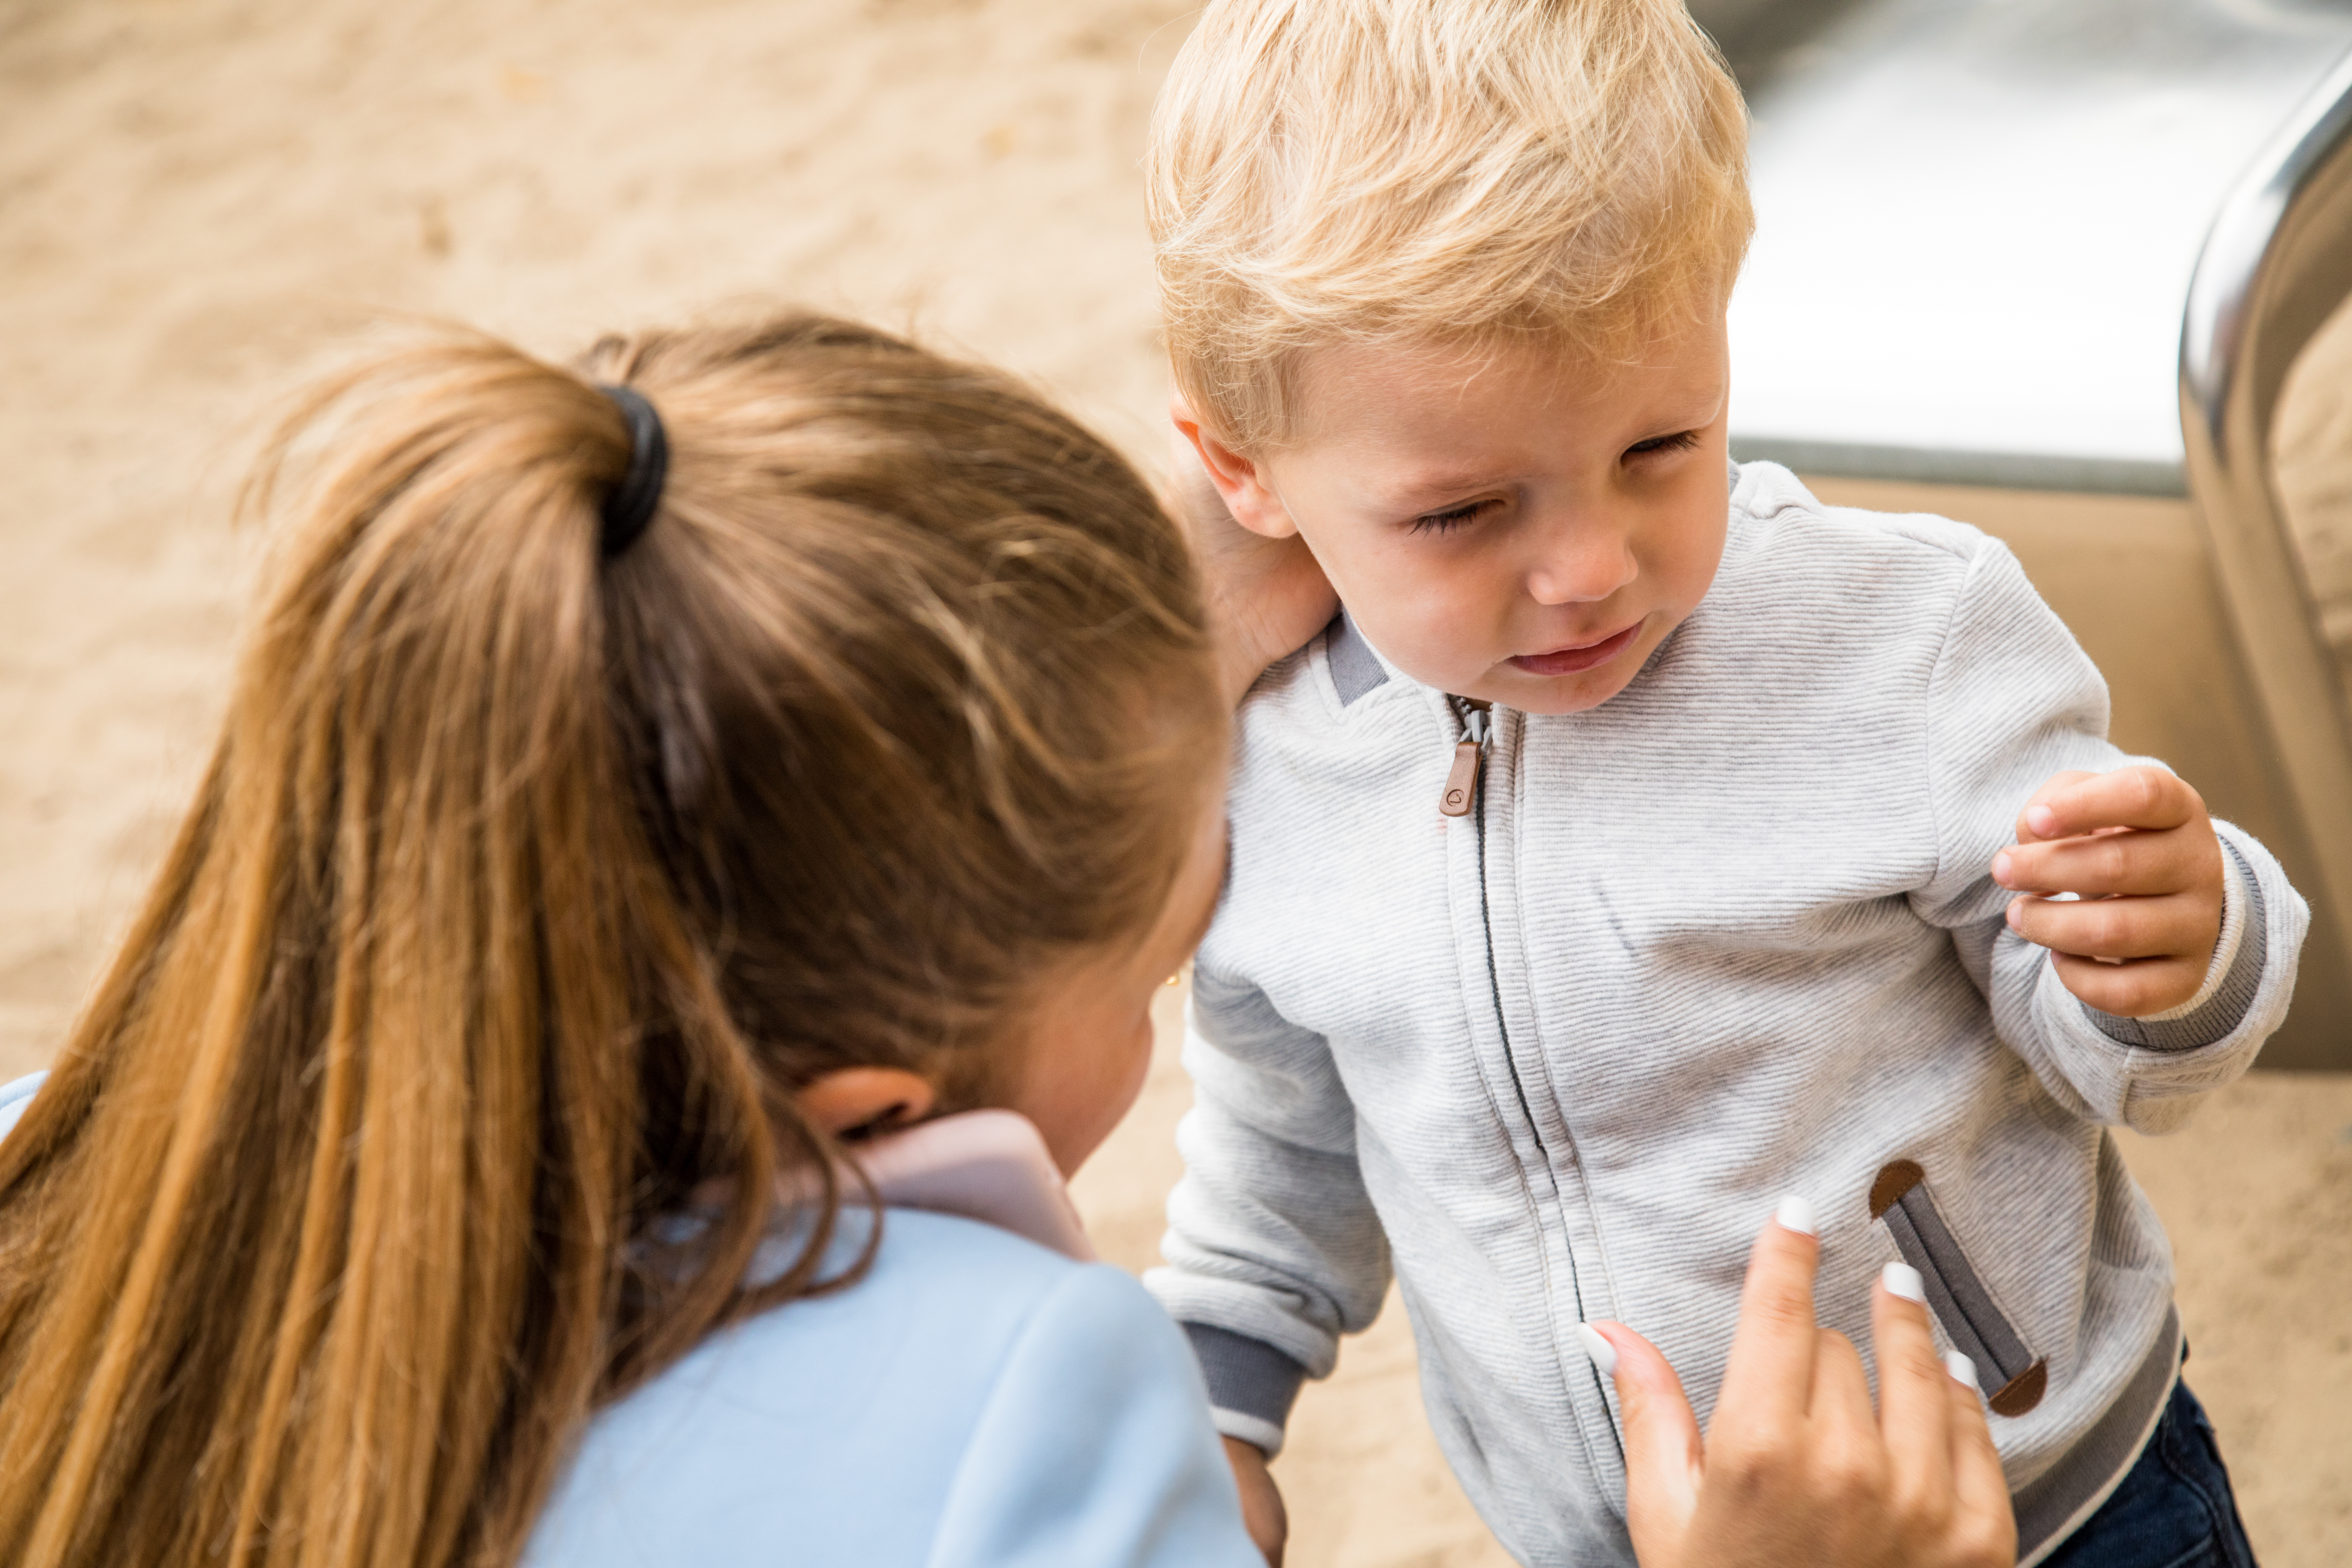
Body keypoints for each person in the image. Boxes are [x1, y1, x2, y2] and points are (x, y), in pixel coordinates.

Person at [0, 309, 2010, 1568]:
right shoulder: (1016, 1420)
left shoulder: (55, 1181)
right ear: (877, 1107)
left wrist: (1157, 638)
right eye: (1154, 974)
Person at [1139, 4, 2296, 1567]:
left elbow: (2139, 1060)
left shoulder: (1905, 639)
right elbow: (1284, 1129)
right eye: (1466, 510)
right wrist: (1217, 1399)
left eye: (1661, 444)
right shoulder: (1268, 760)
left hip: (2049, 1496)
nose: (1592, 568)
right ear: (1242, 469)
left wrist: (2186, 944)